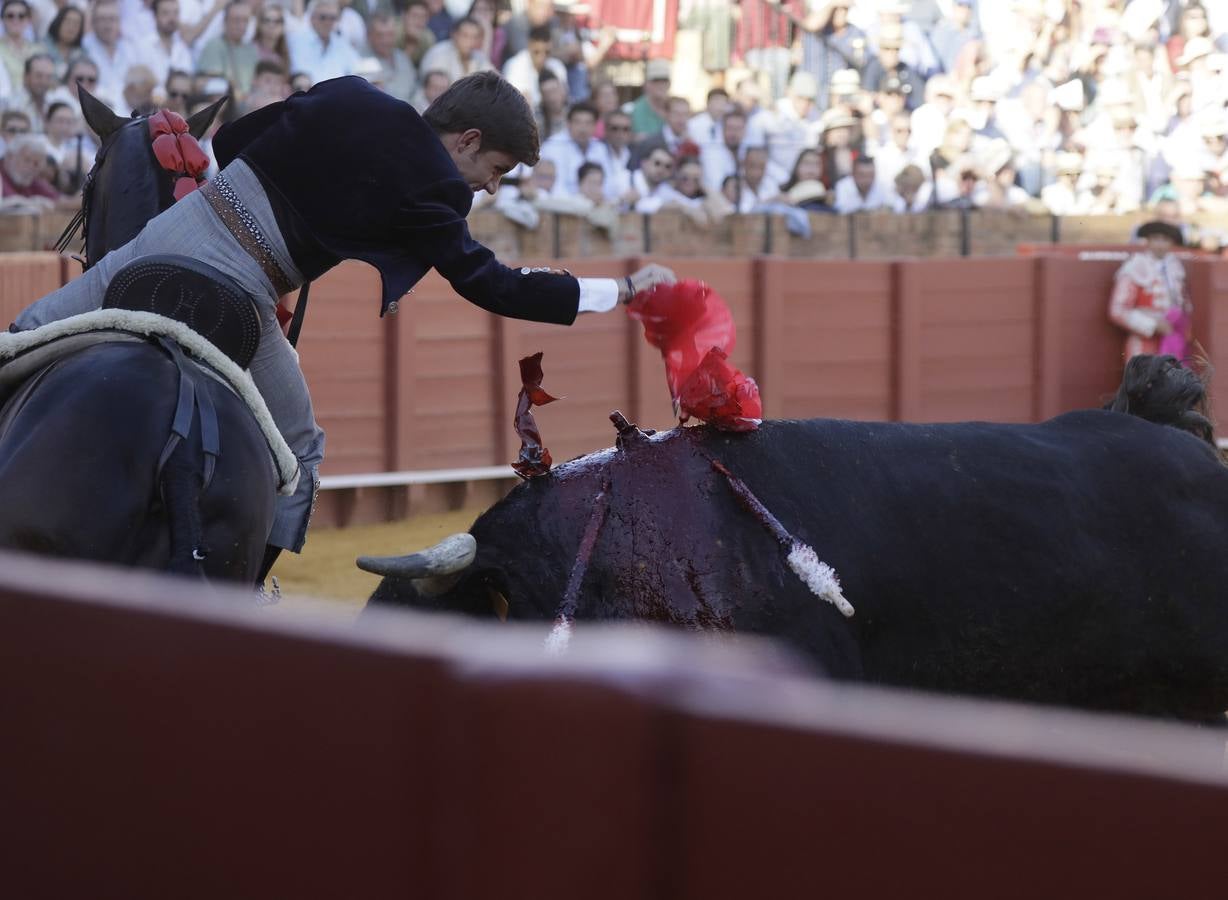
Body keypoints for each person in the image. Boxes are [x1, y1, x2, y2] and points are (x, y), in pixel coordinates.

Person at [11, 72, 677, 581]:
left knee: (22, 337)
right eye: (495, 171)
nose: (490, 187)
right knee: (299, 452)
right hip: (244, 295)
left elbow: (238, 138)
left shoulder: (352, 94)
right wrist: (615, 288)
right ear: (467, 140)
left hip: (168, 241)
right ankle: (248, 596)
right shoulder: (436, 192)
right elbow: (492, 284)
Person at [1108, 220, 1193, 364]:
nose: (1160, 244)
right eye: (1155, 239)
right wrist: (1153, 325)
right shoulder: (1134, 267)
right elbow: (1117, 310)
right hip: (1143, 343)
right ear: (1147, 240)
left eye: (1165, 240)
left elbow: (1185, 304)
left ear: (1171, 242)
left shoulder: (1175, 267)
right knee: (1143, 383)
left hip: (1174, 338)